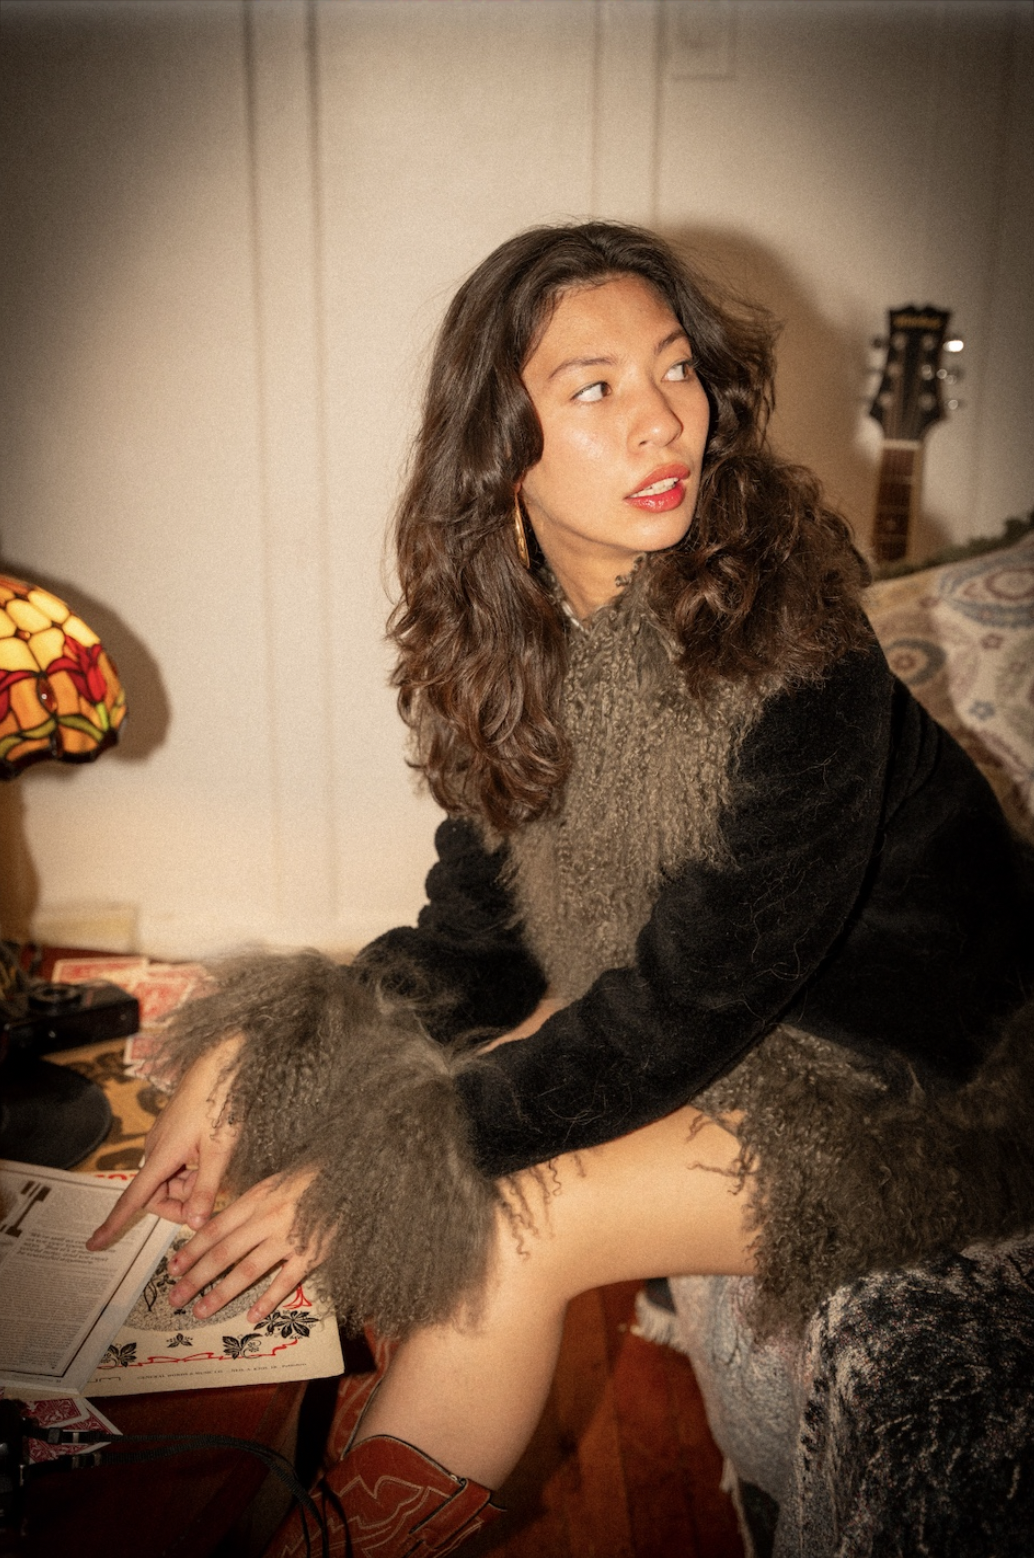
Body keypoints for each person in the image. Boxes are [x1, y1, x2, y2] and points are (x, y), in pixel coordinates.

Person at [89, 222, 1034, 1558]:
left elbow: (688, 1006)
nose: (662, 421)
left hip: (915, 1080)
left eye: (675, 369)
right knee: (378, 1112)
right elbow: (474, 949)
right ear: (501, 448)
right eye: (594, 387)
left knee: (512, 1222)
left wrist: (394, 1149)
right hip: (732, 1025)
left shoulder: (799, 650)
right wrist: (264, 1053)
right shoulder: (518, 644)